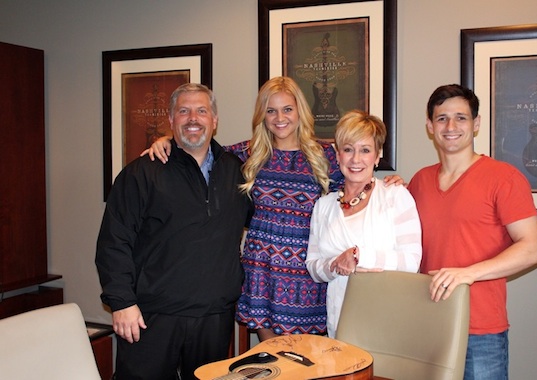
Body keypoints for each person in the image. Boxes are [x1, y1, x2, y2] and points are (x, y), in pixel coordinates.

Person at [144, 76, 403, 342]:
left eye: (287, 109)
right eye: (271, 110)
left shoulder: (324, 156)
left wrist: (387, 183)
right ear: (262, 116)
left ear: (299, 111)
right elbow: (198, 144)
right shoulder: (245, 154)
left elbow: (356, 179)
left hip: (308, 276)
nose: (280, 117)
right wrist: (166, 140)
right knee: (274, 362)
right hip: (261, 275)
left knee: (306, 363)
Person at [95, 83, 253, 379]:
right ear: (171, 120)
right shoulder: (142, 173)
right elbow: (113, 242)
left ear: (215, 120)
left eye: (201, 110)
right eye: (184, 111)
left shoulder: (236, 171)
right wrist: (122, 302)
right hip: (151, 315)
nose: (193, 118)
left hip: (214, 315)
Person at [407, 84, 537, 380]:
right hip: (429, 323)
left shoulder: (504, 178)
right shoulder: (418, 181)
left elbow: (532, 249)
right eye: (442, 118)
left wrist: (467, 273)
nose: (451, 126)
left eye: (461, 117)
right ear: (430, 126)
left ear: (476, 123)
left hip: (481, 332)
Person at [305, 110, 422, 338]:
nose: (355, 159)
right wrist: (334, 265)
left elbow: (411, 261)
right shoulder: (324, 205)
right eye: (348, 150)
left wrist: (359, 256)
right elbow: (313, 267)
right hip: (340, 322)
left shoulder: (395, 196)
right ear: (338, 156)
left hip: (387, 321)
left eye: (365, 150)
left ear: (377, 156)